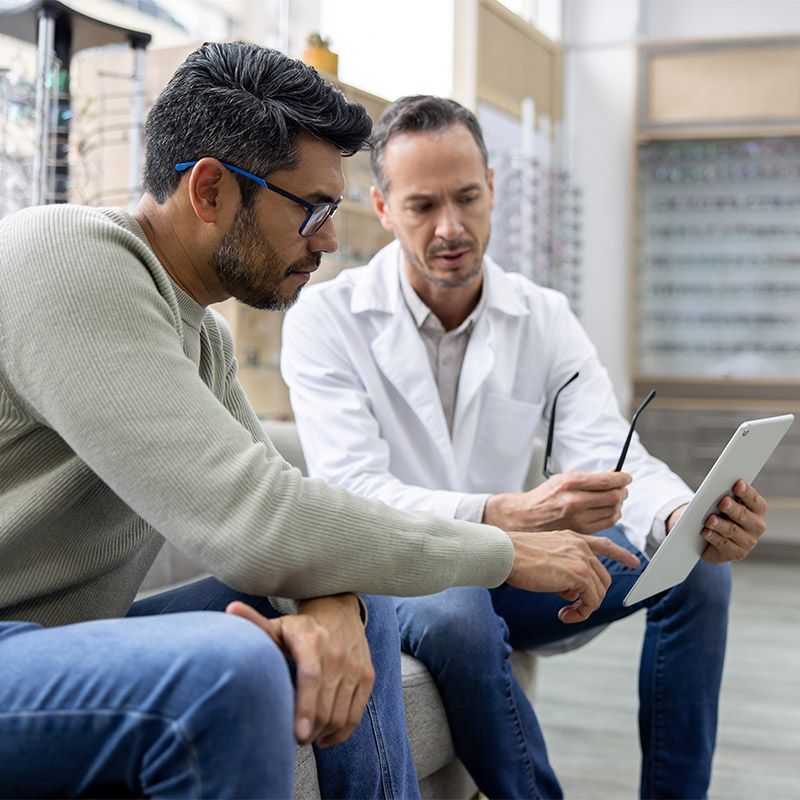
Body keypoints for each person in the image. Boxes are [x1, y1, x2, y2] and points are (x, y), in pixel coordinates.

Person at [0, 46, 641, 799]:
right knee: (229, 671)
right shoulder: (69, 259)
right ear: (210, 190)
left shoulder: (198, 334)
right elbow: (254, 521)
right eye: (312, 208)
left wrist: (332, 596)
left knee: (358, 601)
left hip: (53, 645)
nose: (330, 240)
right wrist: (505, 550)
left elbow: (279, 502)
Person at [281, 95, 769, 800]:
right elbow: (355, 490)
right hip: (405, 575)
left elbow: (605, 447)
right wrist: (504, 512)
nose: (451, 228)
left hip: (520, 573)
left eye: (468, 198)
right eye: (422, 207)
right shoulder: (327, 320)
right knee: (458, 609)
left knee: (696, 571)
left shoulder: (543, 316)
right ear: (383, 210)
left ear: (493, 192)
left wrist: (680, 517)